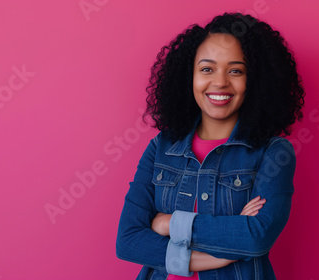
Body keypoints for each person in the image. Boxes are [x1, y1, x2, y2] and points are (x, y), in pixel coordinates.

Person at [116, 13, 305, 279]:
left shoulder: (274, 153)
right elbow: (128, 240)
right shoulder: (161, 148)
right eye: (207, 69)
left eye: (236, 70)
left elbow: (256, 237)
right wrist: (214, 256)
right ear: (188, 77)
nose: (220, 82)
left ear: (255, 81)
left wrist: (167, 223)